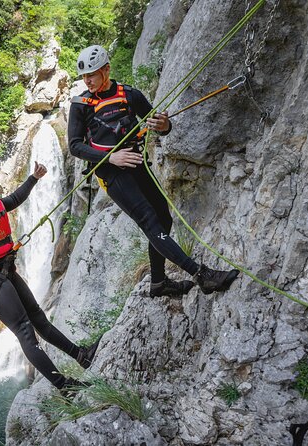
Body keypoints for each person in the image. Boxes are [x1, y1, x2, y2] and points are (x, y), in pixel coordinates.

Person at [68, 45, 239, 297]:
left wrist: (164, 124)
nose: (88, 80)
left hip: (137, 164)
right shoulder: (81, 104)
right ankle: (201, 274)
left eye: (92, 74)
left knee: (164, 217)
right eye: (84, 76)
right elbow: (75, 145)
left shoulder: (129, 95)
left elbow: (158, 125)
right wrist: (111, 157)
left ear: (106, 69)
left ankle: (159, 283)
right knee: (149, 220)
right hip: (112, 174)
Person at [0, 161, 98, 390]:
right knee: (25, 330)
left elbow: (13, 200)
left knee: (39, 319)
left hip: (6, 270)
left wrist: (34, 178)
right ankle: (65, 387)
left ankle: (82, 356)